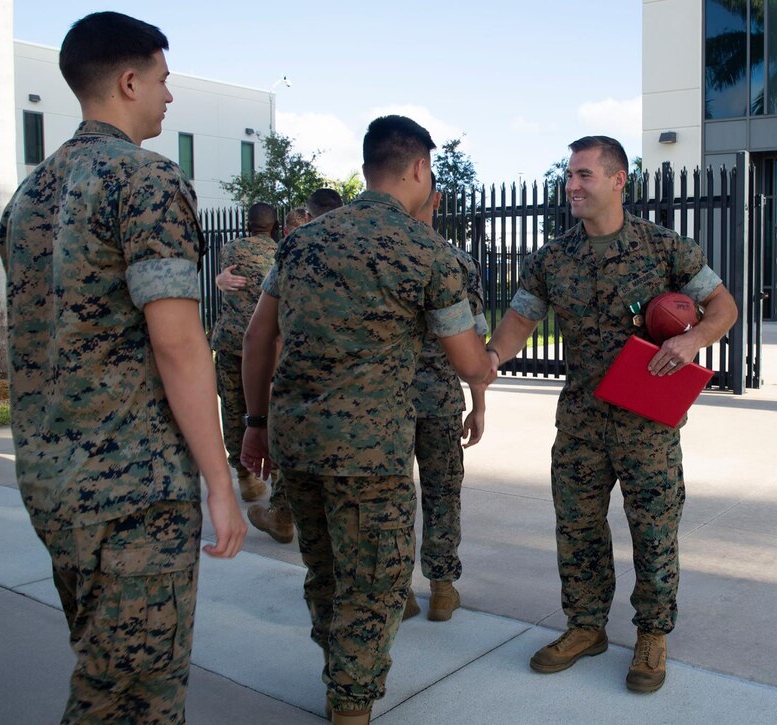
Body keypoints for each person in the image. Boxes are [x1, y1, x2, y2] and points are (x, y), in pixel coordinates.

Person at [0, 12, 247, 721]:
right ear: (129, 80)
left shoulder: (28, 197)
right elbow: (176, 341)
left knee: (103, 660)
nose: (169, 97)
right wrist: (219, 481)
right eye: (163, 81)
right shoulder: (145, 181)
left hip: (54, 485)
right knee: (132, 697)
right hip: (134, 492)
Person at [239, 115, 495, 724]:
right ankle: (350, 705)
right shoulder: (429, 254)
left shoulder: (300, 242)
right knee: (375, 586)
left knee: (325, 573)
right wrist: (489, 361)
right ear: (420, 169)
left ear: (365, 169)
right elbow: (467, 362)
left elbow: (256, 338)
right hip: (369, 456)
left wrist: (255, 423)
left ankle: (338, 675)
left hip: (296, 445)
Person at [486, 135, 738, 694]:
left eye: (584, 175)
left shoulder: (664, 248)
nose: (572, 186)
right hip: (580, 422)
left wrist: (694, 338)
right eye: (569, 176)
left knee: (653, 531)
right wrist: (487, 359)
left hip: (647, 423)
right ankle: (585, 627)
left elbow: (725, 306)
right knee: (576, 528)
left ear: (619, 180)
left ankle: (651, 634)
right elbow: (520, 320)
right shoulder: (553, 258)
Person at [235, 191, 344, 544]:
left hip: (300, 399)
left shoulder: (294, 256)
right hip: (360, 410)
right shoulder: (370, 255)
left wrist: (258, 417)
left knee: (299, 474)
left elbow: (261, 337)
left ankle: (282, 515)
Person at [402, 178, 488, 622]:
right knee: (442, 493)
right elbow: (474, 335)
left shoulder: (382, 253)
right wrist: (479, 403)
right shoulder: (457, 262)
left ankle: (400, 591)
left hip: (388, 403)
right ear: (436, 199)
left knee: (393, 497)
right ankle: (441, 588)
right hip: (440, 399)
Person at [210, 202, 279, 503]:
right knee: (269, 409)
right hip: (265, 348)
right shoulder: (280, 253)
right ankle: (277, 479)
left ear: (247, 223)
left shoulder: (229, 249)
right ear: (274, 225)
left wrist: (217, 280)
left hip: (229, 342)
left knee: (233, 407)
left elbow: (226, 280)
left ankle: (244, 477)